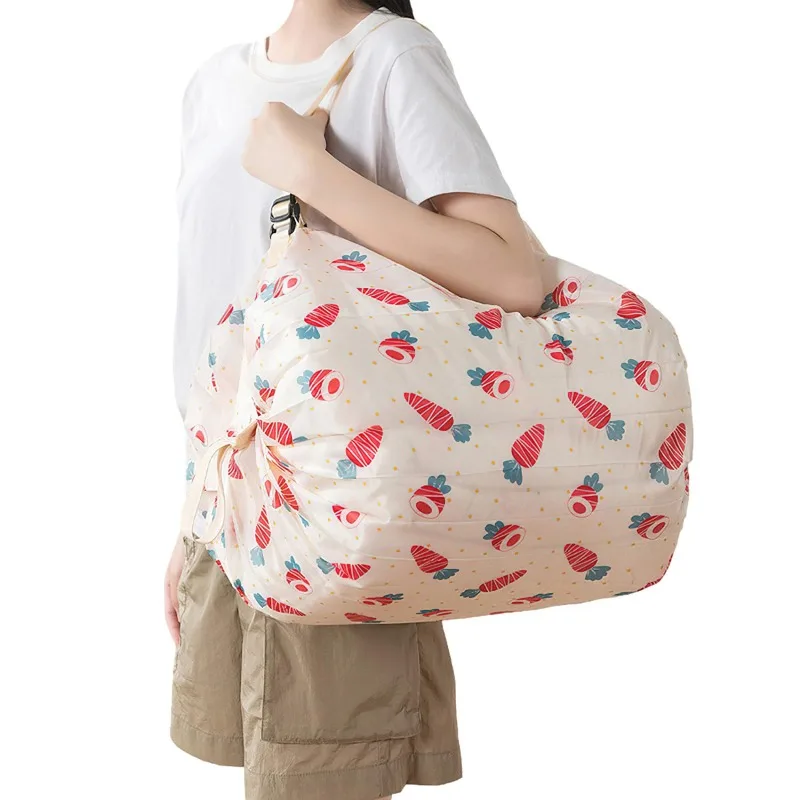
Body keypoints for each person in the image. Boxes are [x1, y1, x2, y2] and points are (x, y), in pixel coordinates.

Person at [166, 2, 545, 799]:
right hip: (230, 505)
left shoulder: (392, 57)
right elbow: (216, 326)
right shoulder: (212, 83)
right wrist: (191, 513)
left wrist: (311, 174)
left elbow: (515, 274)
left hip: (336, 511)